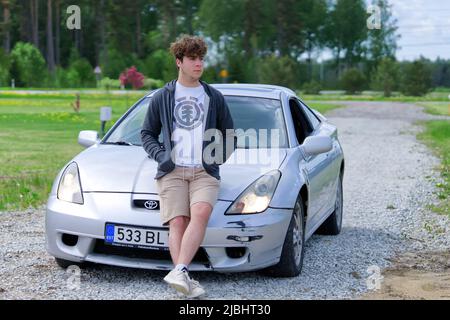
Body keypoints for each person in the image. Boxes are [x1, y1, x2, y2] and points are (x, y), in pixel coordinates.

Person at [141, 35, 236, 298]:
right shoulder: (163, 96)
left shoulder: (213, 97)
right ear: (179, 62)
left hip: (203, 171)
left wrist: (216, 159)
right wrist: (161, 156)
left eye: (201, 59)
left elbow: (229, 134)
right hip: (172, 170)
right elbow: (147, 133)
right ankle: (183, 278)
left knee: (202, 212)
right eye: (192, 59)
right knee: (178, 221)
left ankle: (179, 270)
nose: (198, 64)